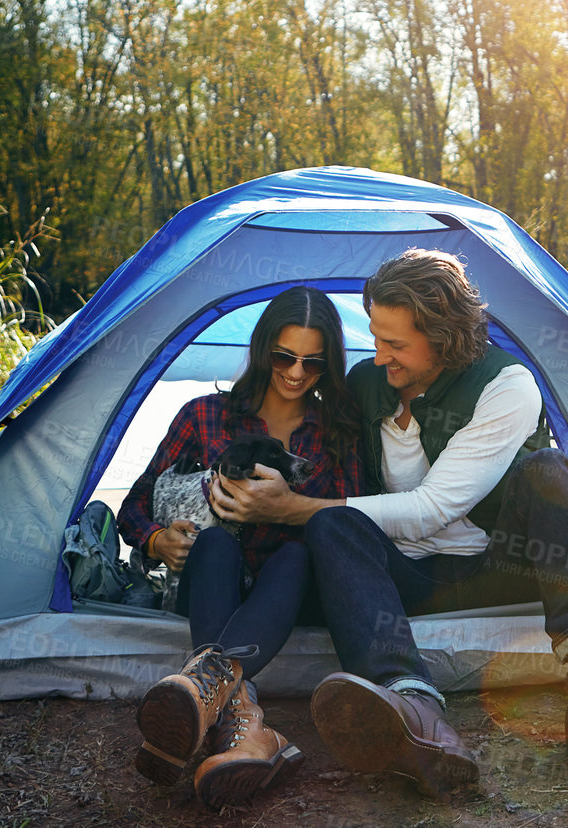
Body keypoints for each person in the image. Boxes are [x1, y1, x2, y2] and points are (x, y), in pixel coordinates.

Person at [210, 249, 568, 800]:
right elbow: (308, 435)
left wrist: (290, 508)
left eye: (395, 344)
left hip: (496, 565)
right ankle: (415, 711)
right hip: (402, 577)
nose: (379, 357)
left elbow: (431, 508)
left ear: (445, 337)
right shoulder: (365, 384)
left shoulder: (506, 385)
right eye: (376, 337)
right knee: (333, 526)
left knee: (549, 469)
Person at [116, 284, 363, 810]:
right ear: (262, 348)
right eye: (284, 356)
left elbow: (358, 520)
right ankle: (244, 722)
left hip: (289, 594)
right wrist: (158, 541)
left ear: (330, 365)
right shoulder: (203, 415)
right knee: (215, 546)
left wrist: (288, 507)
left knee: (296, 554)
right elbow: (134, 504)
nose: (296, 372)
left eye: (314, 363)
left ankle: (212, 694)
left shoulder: (339, 431)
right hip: (210, 585)